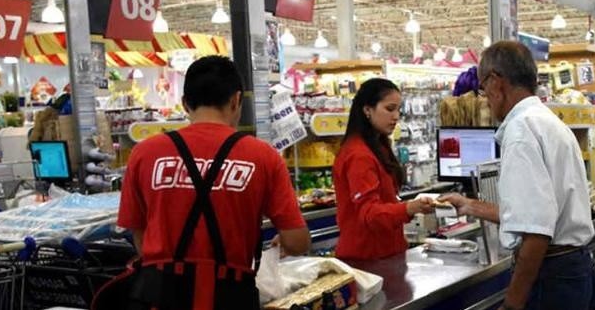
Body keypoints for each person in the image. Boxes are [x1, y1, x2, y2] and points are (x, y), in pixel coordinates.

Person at [117, 56, 310, 307]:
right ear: (236, 100)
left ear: (185, 103)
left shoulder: (145, 153)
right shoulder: (263, 157)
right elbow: (297, 242)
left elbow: (140, 236)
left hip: (161, 295)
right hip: (230, 295)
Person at [439, 41, 595, 310]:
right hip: (574, 269)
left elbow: (536, 231)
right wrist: (469, 205)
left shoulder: (521, 132)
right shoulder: (547, 122)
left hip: (550, 277)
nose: (485, 98)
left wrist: (512, 304)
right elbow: (536, 212)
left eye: (482, 88)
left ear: (495, 81)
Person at [333, 78, 433, 260]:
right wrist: (409, 208)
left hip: (386, 254)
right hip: (366, 260)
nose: (396, 116)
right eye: (389, 109)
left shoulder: (378, 147)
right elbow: (370, 214)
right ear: (367, 110)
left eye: (398, 110)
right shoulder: (358, 155)